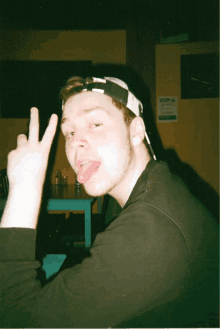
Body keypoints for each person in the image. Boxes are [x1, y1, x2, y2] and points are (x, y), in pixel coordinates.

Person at [0, 76, 218, 328]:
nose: (75, 142)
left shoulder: (152, 228)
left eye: (94, 123)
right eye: (70, 132)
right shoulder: (151, 186)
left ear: (136, 131)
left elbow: (13, 320)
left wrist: (24, 189)